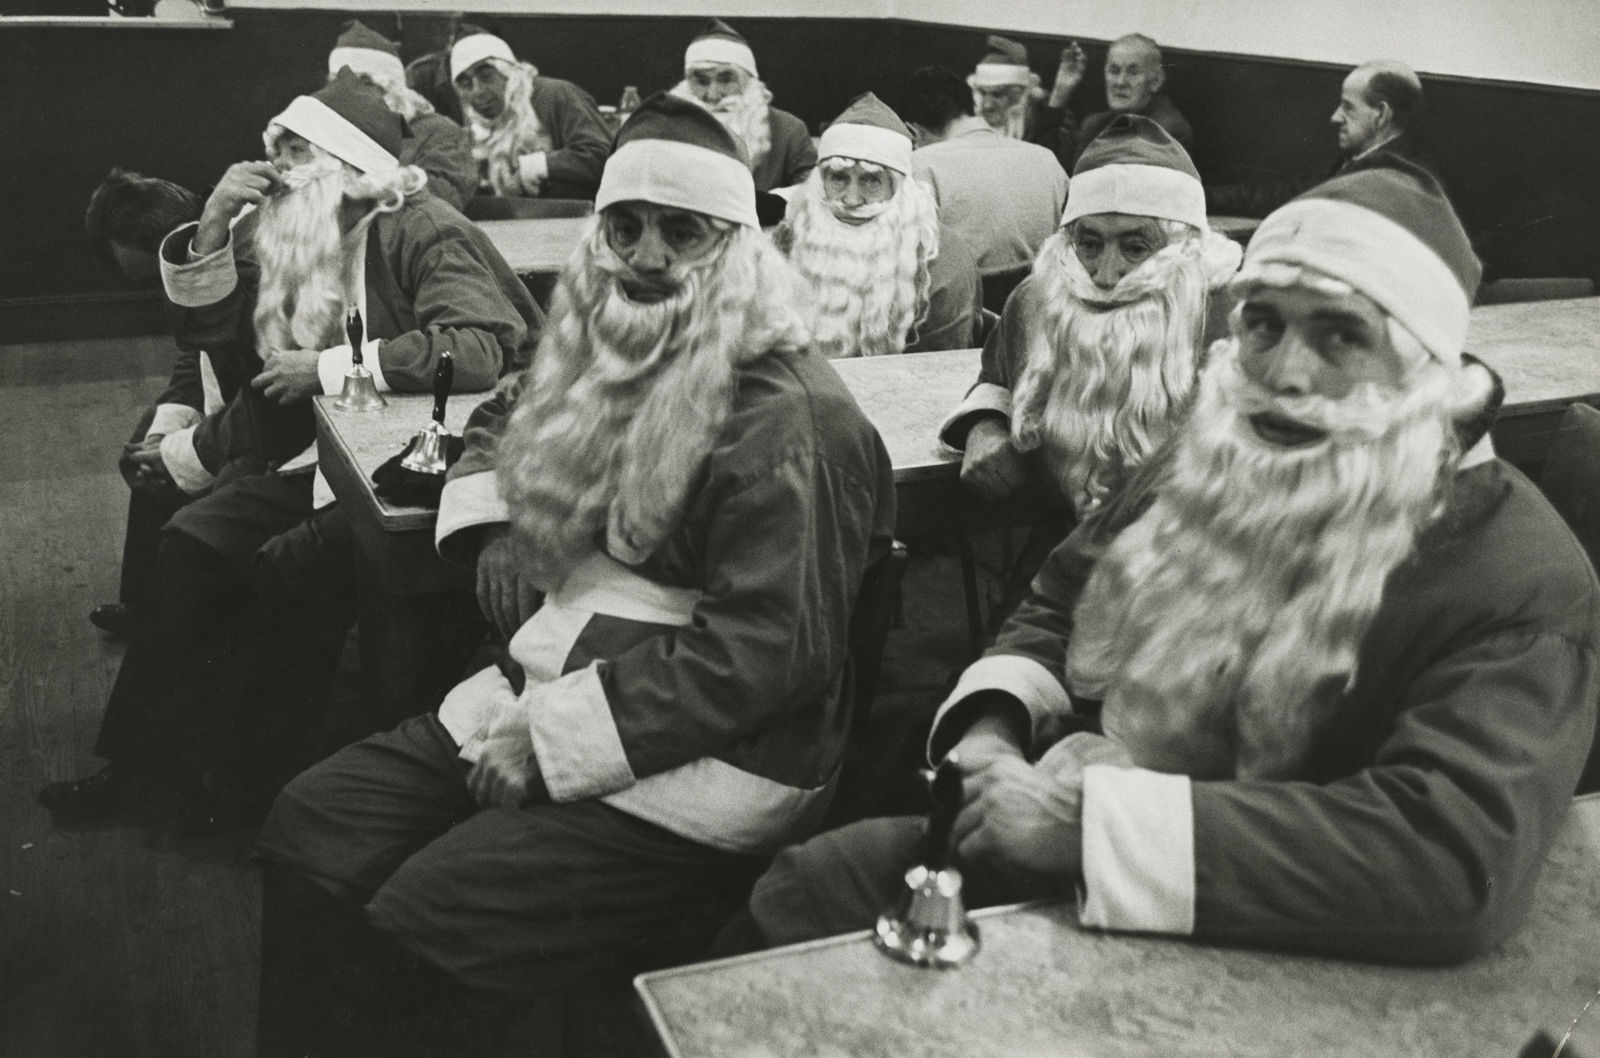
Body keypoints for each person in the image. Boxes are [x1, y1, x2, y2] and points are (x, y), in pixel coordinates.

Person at [732, 159, 1600, 966]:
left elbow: (1451, 862)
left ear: (1428, 366)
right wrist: (994, 731)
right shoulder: (1214, 451)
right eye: (1263, 324)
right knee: (806, 895)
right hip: (1068, 810)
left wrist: (1089, 824)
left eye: (1341, 337)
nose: (1286, 374)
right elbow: (1064, 593)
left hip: (1282, 935)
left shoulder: (1517, 578)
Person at [251, 92, 897, 1058]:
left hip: (712, 756)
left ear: (738, 250)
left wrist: (554, 743)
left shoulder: (791, 420)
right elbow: (493, 415)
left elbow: (771, 655)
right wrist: (500, 524)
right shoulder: (598, 339)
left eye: (683, 234)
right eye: (624, 228)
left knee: (426, 917)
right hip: (551, 677)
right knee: (313, 823)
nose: (645, 257)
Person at [38, 70, 541, 829]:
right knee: (194, 541)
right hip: (331, 456)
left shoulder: (421, 227)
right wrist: (210, 228)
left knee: (285, 570)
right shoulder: (305, 240)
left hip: (432, 463)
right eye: (276, 151)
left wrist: (332, 366)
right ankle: (146, 768)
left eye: (295, 154)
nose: (274, 174)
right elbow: (229, 359)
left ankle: (246, 786)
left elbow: (476, 348)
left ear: (346, 168)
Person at [939, 114, 1241, 619]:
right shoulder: (1039, 300)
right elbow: (997, 376)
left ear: (1184, 244)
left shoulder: (1236, 315)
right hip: (1069, 541)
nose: (1106, 274)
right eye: (1090, 243)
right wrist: (985, 426)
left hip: (1204, 561)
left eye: (1135, 246)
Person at [82, 170, 210, 640]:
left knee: (169, 455)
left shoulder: (238, 261)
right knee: (145, 440)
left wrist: (190, 444)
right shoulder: (182, 261)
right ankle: (146, 600)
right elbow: (195, 353)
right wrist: (167, 422)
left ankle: (182, 610)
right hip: (225, 388)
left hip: (272, 402)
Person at [777, 92, 980, 358]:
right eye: (838, 178)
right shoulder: (787, 237)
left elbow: (938, 368)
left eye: (871, 181)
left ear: (900, 189)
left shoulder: (945, 260)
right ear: (819, 181)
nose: (850, 199)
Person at [903, 65, 1068, 313]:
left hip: (960, 320)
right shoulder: (1047, 159)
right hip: (1044, 311)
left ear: (914, 131)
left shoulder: (920, 165)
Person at [1207, 59, 1441, 218]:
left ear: (1381, 114)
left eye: (1348, 108)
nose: (1335, 117)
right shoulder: (1359, 159)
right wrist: (1197, 195)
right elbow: (1280, 195)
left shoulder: (1401, 179)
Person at [326, 20, 477, 211]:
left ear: (389, 87)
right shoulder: (330, 136)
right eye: (335, 84)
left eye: (360, 83)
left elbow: (442, 199)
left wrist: (374, 186)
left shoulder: (440, 133)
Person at [449, 26, 611, 199]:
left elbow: (603, 156)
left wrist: (537, 166)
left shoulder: (556, 95)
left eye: (486, 76)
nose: (477, 91)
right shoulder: (480, 129)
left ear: (509, 72)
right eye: (466, 84)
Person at [671, 18, 816, 192]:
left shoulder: (790, 131)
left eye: (726, 80)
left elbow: (811, 192)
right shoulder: (665, 126)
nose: (713, 95)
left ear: (750, 83)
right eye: (701, 81)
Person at [1048, 34, 1194, 166]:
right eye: (1114, 71)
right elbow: (1053, 169)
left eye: (1133, 72)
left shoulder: (1166, 131)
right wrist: (1060, 92)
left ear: (1156, 81)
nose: (1120, 82)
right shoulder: (1093, 124)